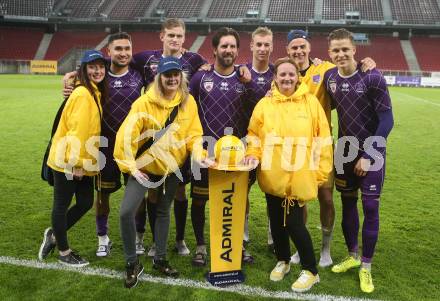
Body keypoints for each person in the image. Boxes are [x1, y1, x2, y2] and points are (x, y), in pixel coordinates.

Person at [286, 29, 376, 267]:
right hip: (295, 148)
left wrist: (366, 62)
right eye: (294, 47)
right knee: (298, 200)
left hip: (322, 146)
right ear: (288, 50)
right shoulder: (285, 72)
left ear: (309, 48)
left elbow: (348, 68)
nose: (298, 51)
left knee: (326, 197)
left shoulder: (324, 70)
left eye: (302, 46)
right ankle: (300, 246)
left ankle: (326, 249)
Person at [114, 57, 205, 288]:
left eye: (176, 74)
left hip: (171, 169)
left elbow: (194, 134)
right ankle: (132, 263)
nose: (172, 78)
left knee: (164, 211)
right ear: (159, 77)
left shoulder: (188, 102)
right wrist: (132, 167)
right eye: (167, 75)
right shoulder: (143, 103)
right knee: (126, 212)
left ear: (181, 77)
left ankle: (160, 258)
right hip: (143, 168)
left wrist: (199, 155)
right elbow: (126, 136)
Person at [245, 57, 332, 292]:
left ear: (298, 77)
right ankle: (282, 261)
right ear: (275, 78)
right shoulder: (265, 104)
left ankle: (311, 270)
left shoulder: (311, 104)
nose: (286, 78)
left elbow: (322, 141)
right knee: (276, 221)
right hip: (271, 175)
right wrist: (253, 153)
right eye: (282, 74)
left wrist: (320, 173)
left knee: (294, 223)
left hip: (299, 177)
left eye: (291, 74)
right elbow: (253, 133)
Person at [62, 33, 145, 257]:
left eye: (127, 48)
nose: (123, 53)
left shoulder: (140, 75)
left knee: (138, 196)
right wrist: (69, 79)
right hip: (103, 147)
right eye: (118, 49)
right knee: (102, 196)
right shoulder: (98, 76)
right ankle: (102, 237)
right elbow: (79, 86)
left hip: (132, 147)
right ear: (109, 51)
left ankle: (139, 237)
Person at [324, 28, 393, 293]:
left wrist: (368, 156)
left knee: (371, 207)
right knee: (348, 202)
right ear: (329, 54)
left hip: (371, 151)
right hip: (344, 150)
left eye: (345, 49)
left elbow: (387, 120)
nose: (341, 54)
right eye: (335, 50)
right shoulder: (330, 77)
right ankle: (352, 255)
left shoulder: (372, 77)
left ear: (355, 49)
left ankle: (366, 265)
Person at [131, 18, 207, 257]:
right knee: (152, 193)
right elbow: (115, 63)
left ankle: (180, 239)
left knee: (180, 192)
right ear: (162, 36)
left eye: (179, 36)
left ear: (184, 38)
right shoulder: (146, 59)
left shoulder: (193, 60)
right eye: (171, 35)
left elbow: (210, 68)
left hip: (179, 139)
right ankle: (154, 241)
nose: (175, 39)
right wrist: (74, 74)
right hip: (152, 139)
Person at [188, 27, 257, 266]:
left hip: (234, 156)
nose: (228, 50)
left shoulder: (244, 78)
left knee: (235, 202)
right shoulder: (200, 78)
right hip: (205, 152)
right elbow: (188, 111)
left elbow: (257, 112)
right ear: (215, 49)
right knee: (198, 201)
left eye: (232, 46)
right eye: (224, 46)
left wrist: (250, 85)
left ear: (238, 50)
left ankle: (237, 245)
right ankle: (200, 246)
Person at [38, 50, 108, 267]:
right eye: (92, 67)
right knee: (61, 204)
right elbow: (77, 131)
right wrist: (76, 164)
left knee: (86, 202)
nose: (97, 71)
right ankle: (64, 252)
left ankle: (54, 234)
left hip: (82, 159)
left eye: (100, 66)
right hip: (68, 160)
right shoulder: (83, 95)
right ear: (84, 70)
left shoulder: (91, 91)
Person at [245, 26, 275, 257]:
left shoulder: (281, 74)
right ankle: (242, 236)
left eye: (267, 44)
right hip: (244, 143)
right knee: (242, 191)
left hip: (272, 145)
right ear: (252, 46)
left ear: (272, 47)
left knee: (273, 192)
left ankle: (273, 238)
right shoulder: (240, 72)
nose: (263, 48)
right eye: (259, 44)